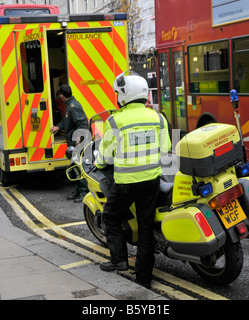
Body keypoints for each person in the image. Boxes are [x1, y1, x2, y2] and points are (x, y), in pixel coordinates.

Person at [95, 71, 171, 288]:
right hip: (152, 182)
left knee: (110, 216)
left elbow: (106, 156)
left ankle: (119, 261)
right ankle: (144, 277)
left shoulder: (115, 121)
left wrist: (99, 164)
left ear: (123, 95)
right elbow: (165, 149)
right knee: (145, 227)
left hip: (126, 184)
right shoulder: (158, 117)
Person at [50, 84, 89, 203]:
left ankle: (84, 193)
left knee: (80, 167)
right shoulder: (70, 105)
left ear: (62, 95)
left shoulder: (73, 106)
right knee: (74, 166)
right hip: (73, 143)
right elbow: (66, 121)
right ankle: (78, 190)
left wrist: (79, 139)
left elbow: (83, 123)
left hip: (78, 143)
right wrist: (58, 127)